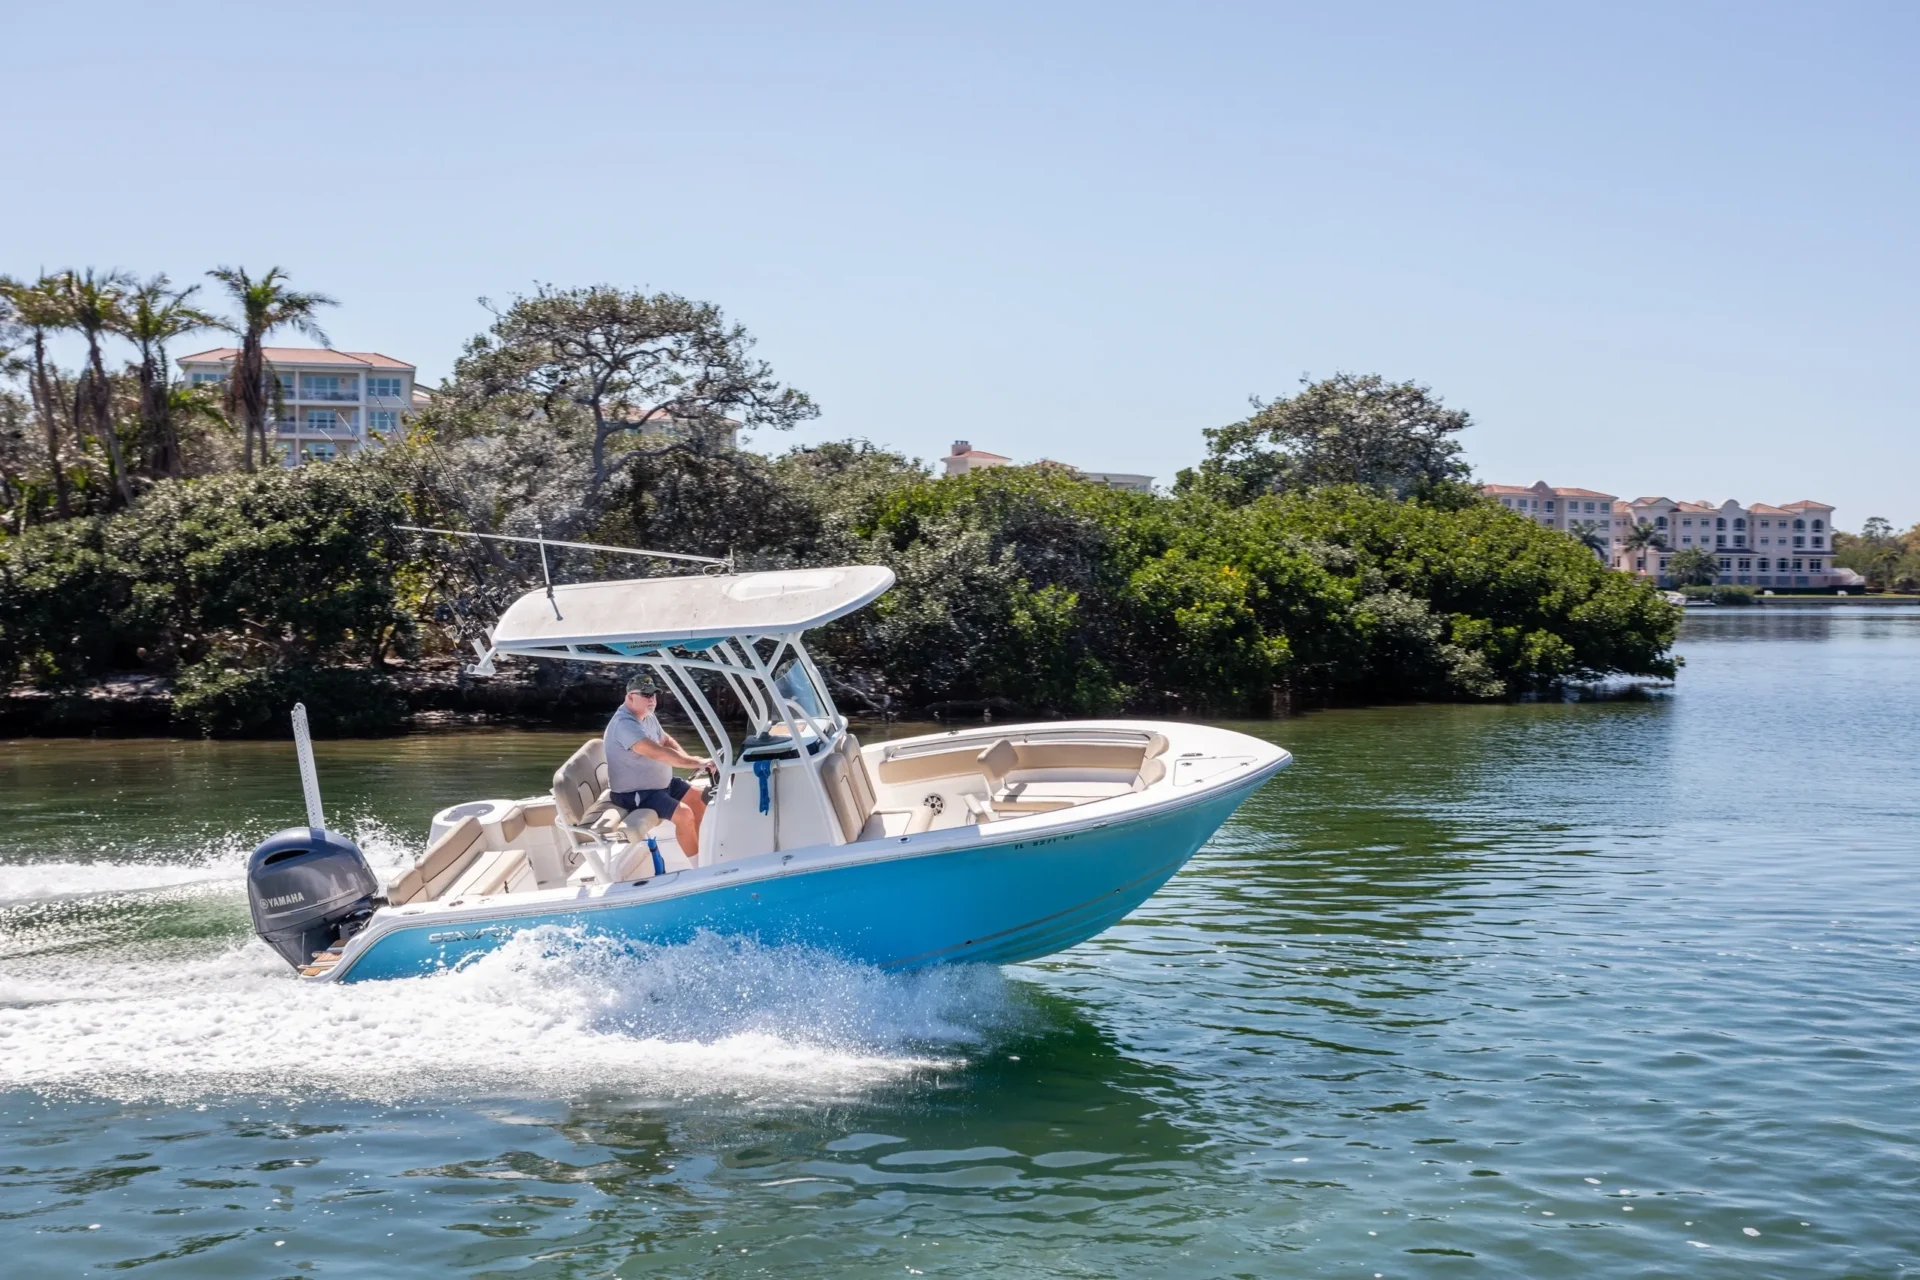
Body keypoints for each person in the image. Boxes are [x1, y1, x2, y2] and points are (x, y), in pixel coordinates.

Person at [604, 674, 712, 862]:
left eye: (653, 694)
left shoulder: (647, 716)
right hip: (636, 793)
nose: (651, 699)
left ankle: (702, 855)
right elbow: (657, 752)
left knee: (699, 799)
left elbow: (665, 741)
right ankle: (699, 870)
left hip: (661, 785)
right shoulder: (624, 725)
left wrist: (689, 759)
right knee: (684, 814)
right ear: (630, 697)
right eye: (645, 695)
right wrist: (696, 763)